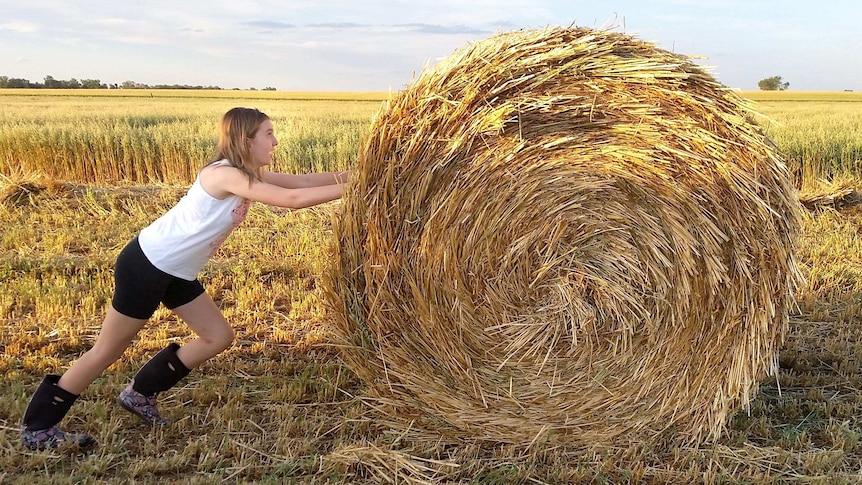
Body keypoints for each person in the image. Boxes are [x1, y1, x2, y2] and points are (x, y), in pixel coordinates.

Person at [20, 107, 350, 450]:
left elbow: (303, 182)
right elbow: (293, 199)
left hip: (176, 271)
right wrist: (351, 187)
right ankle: (38, 427)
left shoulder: (246, 174)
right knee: (107, 350)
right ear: (244, 139)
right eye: (268, 134)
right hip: (147, 265)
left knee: (218, 336)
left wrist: (363, 174)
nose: (275, 141)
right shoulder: (222, 175)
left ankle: (139, 394)